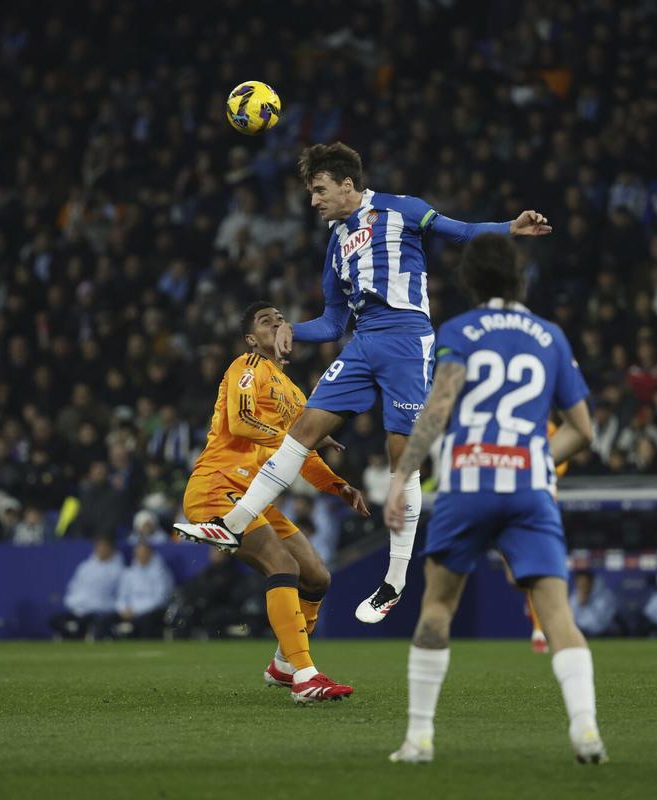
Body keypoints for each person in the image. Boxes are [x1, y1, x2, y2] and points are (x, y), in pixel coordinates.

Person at [174, 143, 551, 624]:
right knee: (304, 430)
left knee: (403, 457)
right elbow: (333, 322)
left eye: (319, 190)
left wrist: (509, 229)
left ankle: (394, 581)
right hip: (362, 343)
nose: (313, 201)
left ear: (346, 184)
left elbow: (462, 231)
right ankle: (233, 523)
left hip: (407, 339)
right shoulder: (335, 245)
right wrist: (293, 329)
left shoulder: (401, 208)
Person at [376, 234, 605, 764]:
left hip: (468, 484)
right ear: (518, 277)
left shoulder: (458, 331)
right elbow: (585, 430)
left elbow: (439, 408)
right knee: (557, 614)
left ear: (471, 280)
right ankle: (586, 729)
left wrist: (401, 475)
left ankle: (418, 739)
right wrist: (538, 459)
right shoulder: (550, 336)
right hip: (528, 487)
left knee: (437, 607)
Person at [175, 301, 369, 702]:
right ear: (252, 339)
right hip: (218, 487)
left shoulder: (293, 392)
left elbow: (303, 456)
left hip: (255, 496)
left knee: (317, 577)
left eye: (281, 318)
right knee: (281, 565)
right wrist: (298, 439)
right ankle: (305, 676)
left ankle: (283, 665)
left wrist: (339, 486)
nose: (278, 324)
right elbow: (241, 422)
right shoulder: (247, 365)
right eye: (267, 321)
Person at [48, 537, 124, 640]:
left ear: (111, 550)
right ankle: (73, 633)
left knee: (92, 622)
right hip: (77, 610)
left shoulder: (118, 570)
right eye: (99, 547)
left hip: (99, 611)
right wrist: (73, 604)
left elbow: (120, 594)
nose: (101, 550)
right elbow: (73, 587)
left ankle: (76, 632)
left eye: (104, 547)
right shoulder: (84, 567)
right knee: (54, 620)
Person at [114, 540, 175, 638]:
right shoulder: (129, 573)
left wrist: (136, 610)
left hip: (151, 611)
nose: (141, 556)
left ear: (150, 553)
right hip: (129, 611)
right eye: (139, 553)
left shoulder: (160, 572)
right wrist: (123, 609)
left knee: (144, 622)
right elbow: (121, 595)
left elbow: (160, 599)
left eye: (144, 553)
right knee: (106, 619)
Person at [569, 571, 618, 638]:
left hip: (602, 634)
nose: (583, 586)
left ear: (591, 583)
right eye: (580, 583)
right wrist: (580, 604)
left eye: (585, 583)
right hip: (579, 634)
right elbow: (571, 621)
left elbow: (599, 626)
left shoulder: (603, 597)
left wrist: (585, 602)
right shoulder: (573, 598)